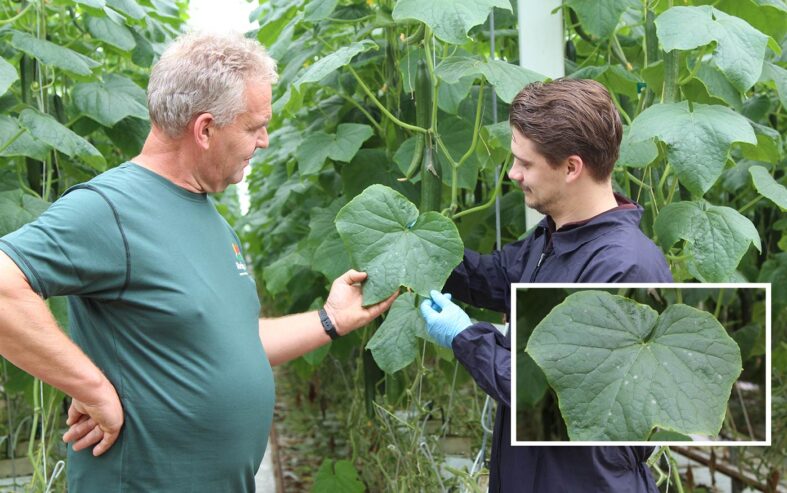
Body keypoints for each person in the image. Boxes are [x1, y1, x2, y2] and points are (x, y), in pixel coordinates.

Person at [0, 32, 396, 492]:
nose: (264, 141)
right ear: (205, 129)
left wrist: (331, 320)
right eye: (253, 127)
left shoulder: (210, 217)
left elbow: (229, 342)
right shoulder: (110, 208)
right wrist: (94, 390)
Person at [420, 79, 673, 492]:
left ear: (571, 167)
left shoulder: (623, 268)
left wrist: (466, 337)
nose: (512, 173)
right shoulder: (556, 235)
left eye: (525, 163)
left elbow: (556, 394)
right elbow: (496, 276)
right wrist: (415, 249)